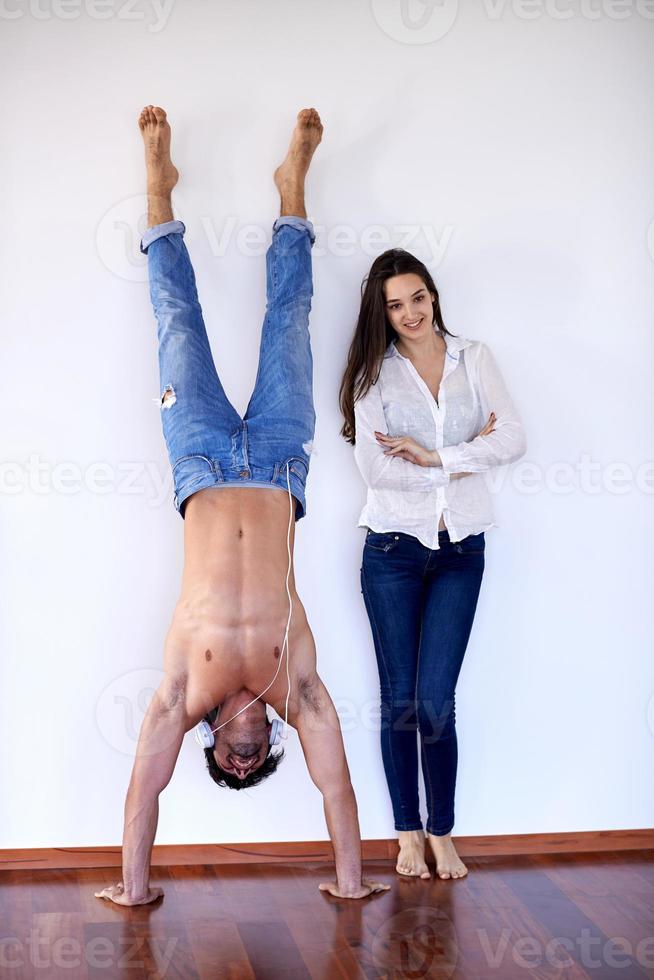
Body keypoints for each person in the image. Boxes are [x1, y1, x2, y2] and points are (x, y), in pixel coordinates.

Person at [95, 105, 388, 906]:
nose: (247, 755)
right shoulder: (299, 689)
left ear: (214, 744)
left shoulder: (180, 695)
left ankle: (158, 191)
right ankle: (294, 188)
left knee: (175, 322)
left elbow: (142, 797)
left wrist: (134, 891)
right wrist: (351, 886)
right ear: (271, 746)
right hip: (280, 464)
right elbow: (337, 794)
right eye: (258, 763)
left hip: (198, 461)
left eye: (233, 762)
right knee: (290, 318)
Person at [339, 249, 527, 881]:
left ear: (433, 295)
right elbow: (374, 470)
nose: (411, 313)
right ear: (382, 313)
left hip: (462, 549)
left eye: (418, 297)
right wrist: (461, 456)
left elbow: (515, 439)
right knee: (399, 700)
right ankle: (406, 831)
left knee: (436, 700)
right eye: (395, 305)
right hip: (392, 550)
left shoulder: (475, 358)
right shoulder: (373, 375)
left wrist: (434, 456)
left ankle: (442, 830)